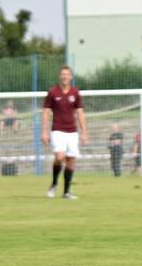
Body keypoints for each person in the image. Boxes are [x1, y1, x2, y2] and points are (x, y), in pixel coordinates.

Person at [41, 65, 88, 199]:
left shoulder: (75, 93)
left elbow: (80, 113)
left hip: (72, 131)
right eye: (62, 74)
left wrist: (84, 132)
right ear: (59, 76)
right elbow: (46, 112)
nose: (65, 76)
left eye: (67, 74)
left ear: (71, 77)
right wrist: (43, 132)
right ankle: (54, 183)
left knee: (70, 161)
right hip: (57, 130)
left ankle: (66, 192)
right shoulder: (53, 92)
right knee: (59, 157)